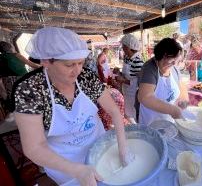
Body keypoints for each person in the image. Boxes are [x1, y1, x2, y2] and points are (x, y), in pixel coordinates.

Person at [13, 27, 129, 186]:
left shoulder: (86, 77)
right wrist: (77, 170)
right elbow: (34, 147)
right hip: (64, 163)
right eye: (69, 65)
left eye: (80, 63)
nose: (77, 70)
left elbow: (114, 111)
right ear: (46, 61)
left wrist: (122, 146)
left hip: (101, 148)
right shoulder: (30, 90)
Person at [137, 38, 189, 126]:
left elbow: (182, 86)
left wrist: (183, 100)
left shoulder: (174, 68)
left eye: (176, 60)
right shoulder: (149, 69)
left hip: (169, 121)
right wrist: (172, 110)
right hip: (151, 122)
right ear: (163, 56)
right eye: (172, 61)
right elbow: (145, 97)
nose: (174, 63)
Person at [115, 34, 144, 123]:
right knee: (127, 113)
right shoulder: (127, 58)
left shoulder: (138, 60)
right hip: (126, 90)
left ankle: (136, 129)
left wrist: (123, 80)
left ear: (128, 47)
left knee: (132, 114)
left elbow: (140, 81)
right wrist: (119, 72)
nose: (123, 49)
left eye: (123, 47)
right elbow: (127, 74)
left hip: (133, 93)